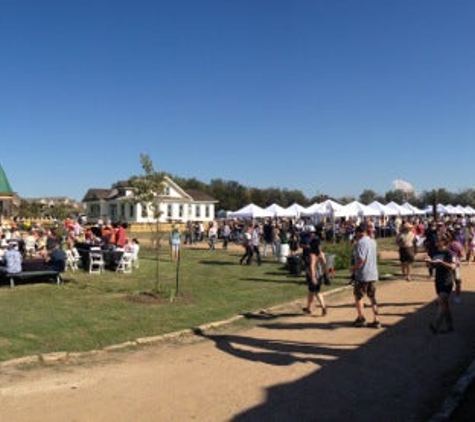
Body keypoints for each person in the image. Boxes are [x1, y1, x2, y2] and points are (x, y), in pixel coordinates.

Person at [350, 224, 380, 328]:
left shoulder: (360, 243)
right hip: (373, 272)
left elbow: (361, 260)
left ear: (359, 232)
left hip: (363, 273)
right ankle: (376, 319)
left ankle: (361, 318)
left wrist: (353, 268)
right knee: (372, 297)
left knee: (358, 296)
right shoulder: (373, 241)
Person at [426, 234, 456, 334]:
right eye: (436, 240)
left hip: (447, 281)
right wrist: (428, 262)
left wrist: (441, 262)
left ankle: (436, 325)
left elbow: (453, 266)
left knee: (441, 302)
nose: (436, 241)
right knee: (445, 305)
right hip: (438, 281)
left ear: (444, 241)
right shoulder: (435, 251)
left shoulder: (449, 253)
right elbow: (433, 266)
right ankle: (450, 325)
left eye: (438, 240)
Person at [302, 228, 327, 316]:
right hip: (319, 273)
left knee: (316, 291)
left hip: (312, 274)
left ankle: (323, 307)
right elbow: (324, 263)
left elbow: (312, 266)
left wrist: (313, 277)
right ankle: (308, 308)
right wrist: (325, 274)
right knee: (312, 291)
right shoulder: (321, 253)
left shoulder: (312, 254)